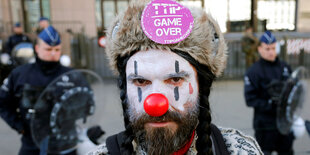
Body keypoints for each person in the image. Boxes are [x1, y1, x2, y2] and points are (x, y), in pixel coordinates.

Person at [89, 0, 262, 154]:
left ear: (200, 85)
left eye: (175, 79)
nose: (156, 104)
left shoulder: (239, 150)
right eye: (140, 81)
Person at [0, 26, 72, 155]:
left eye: (57, 49)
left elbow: (85, 102)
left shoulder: (71, 75)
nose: (53, 53)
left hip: (63, 142)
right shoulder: (20, 74)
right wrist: (18, 125)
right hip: (31, 142)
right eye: (48, 49)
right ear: (37, 48)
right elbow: (2, 102)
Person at [244, 31, 293, 155]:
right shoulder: (253, 71)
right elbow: (250, 99)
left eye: (273, 48)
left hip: (284, 122)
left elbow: (295, 92)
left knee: (287, 151)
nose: (271, 52)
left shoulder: (285, 67)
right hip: (265, 125)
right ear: (260, 49)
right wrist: (270, 103)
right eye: (267, 48)